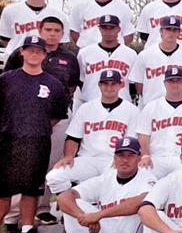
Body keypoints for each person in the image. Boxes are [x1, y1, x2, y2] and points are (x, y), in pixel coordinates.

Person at [0, 35, 70, 233]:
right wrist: (14, 126)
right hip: (10, 141)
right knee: (3, 189)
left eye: (38, 51)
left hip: (37, 142)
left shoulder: (53, 84)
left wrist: (36, 128)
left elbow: (57, 116)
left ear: (45, 55)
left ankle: (27, 229)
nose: (34, 54)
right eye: (30, 50)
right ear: (22, 52)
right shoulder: (7, 79)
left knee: (32, 189)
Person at [1, 15, 79, 227]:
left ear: (62, 34)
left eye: (56, 31)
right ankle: (15, 213)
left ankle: (43, 208)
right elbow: (7, 84)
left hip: (58, 117)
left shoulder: (70, 57)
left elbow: (70, 87)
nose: (52, 34)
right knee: (22, 164)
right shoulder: (23, 53)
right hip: (24, 120)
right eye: (48, 30)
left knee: (50, 163)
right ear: (40, 30)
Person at [58, 136, 155, 233]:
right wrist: (84, 216)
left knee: (137, 210)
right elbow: (63, 197)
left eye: (130, 155)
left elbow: (143, 200)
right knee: (76, 206)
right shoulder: (105, 179)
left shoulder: (147, 178)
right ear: (114, 158)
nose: (125, 160)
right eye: (121, 155)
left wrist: (98, 216)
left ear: (138, 158)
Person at [44, 70, 140, 198]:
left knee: (111, 186)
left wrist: (122, 159)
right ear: (99, 85)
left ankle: (94, 206)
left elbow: (132, 142)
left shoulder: (132, 110)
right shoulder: (86, 108)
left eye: (113, 84)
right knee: (54, 176)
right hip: (87, 159)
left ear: (120, 85)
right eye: (105, 84)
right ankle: (73, 204)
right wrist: (68, 156)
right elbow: (73, 138)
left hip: (112, 159)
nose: (109, 87)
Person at [135, 65, 182, 178]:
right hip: (156, 158)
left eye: (178, 81)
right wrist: (145, 155)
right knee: (141, 174)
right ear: (164, 83)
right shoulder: (151, 107)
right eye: (171, 81)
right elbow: (143, 134)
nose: (174, 84)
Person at [130, 15, 182, 108]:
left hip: (179, 107)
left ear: (179, 33)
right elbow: (139, 84)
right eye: (168, 29)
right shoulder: (145, 55)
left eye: (175, 30)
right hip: (151, 106)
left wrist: (176, 98)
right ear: (161, 31)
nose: (171, 33)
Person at [0, 0, 71, 57]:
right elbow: (5, 38)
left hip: (46, 60)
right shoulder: (10, 10)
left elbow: (60, 42)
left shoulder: (59, 15)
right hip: (16, 58)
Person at [76, 14, 138, 107]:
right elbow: (80, 82)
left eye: (112, 28)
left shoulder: (130, 54)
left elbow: (133, 86)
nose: (108, 31)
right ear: (99, 28)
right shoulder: (85, 53)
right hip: (90, 105)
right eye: (105, 28)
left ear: (119, 29)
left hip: (122, 106)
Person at [70, 0, 135, 48]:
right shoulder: (80, 8)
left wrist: (118, 49)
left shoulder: (123, 8)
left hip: (115, 53)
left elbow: (128, 35)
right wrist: (85, 47)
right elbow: (74, 32)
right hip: (88, 52)